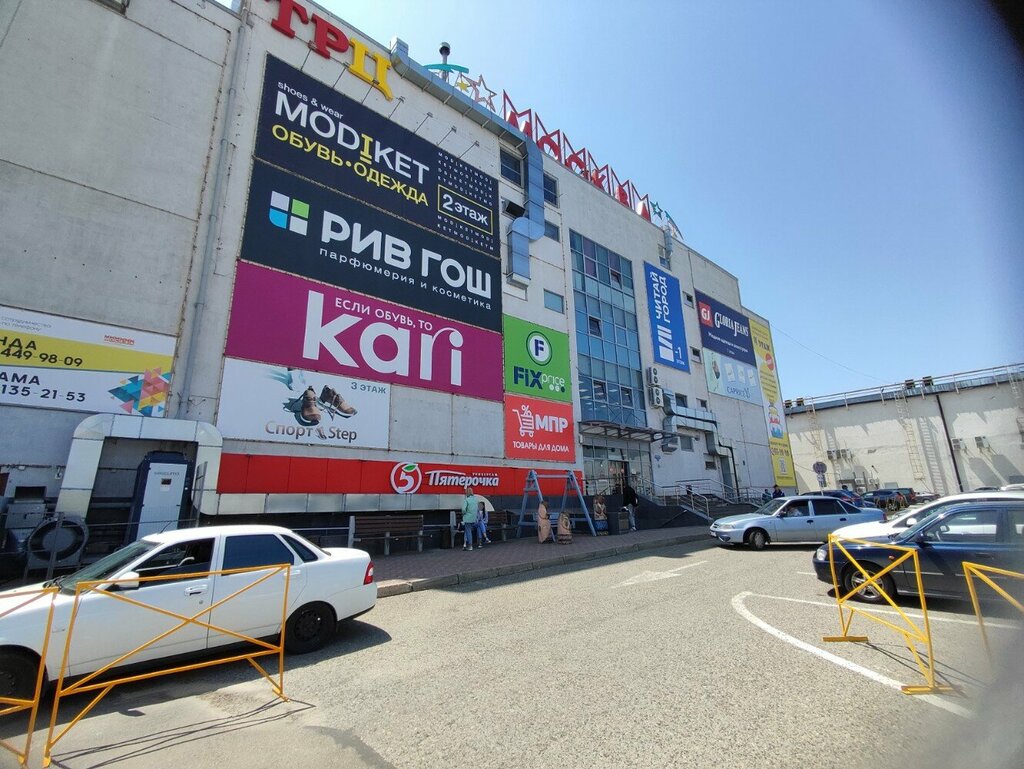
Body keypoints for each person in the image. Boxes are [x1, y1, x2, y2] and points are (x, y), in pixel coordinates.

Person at [461, 485, 478, 551]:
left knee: (468, 531)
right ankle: (465, 544)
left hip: (467, 518)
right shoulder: (475, 499)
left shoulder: (466, 500)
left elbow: (463, 509)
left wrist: (464, 513)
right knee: (467, 530)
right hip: (474, 518)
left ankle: (470, 546)